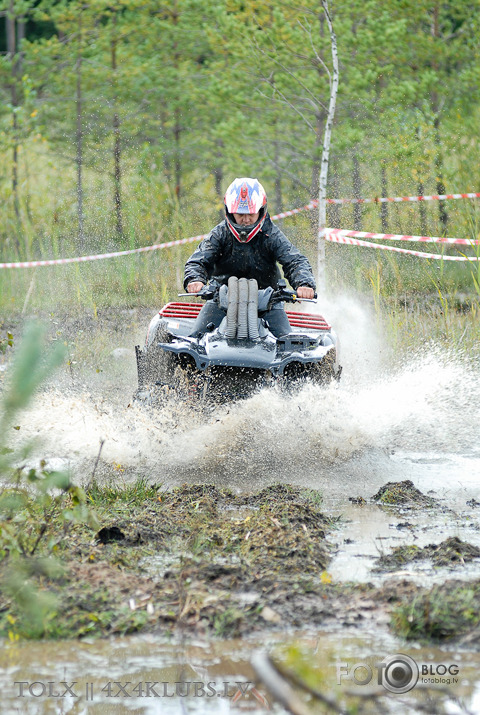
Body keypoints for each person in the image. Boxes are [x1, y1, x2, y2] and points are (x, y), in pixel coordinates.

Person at [184, 177, 316, 337]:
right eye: (240, 214)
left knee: (289, 345)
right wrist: (194, 280)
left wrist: (304, 283)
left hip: (268, 301)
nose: (246, 220)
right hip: (220, 299)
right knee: (195, 339)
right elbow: (197, 261)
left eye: (251, 214)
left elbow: (295, 260)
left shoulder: (271, 234)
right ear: (230, 211)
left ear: (261, 210)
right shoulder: (220, 233)